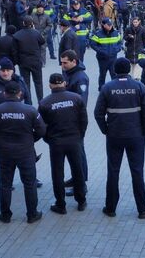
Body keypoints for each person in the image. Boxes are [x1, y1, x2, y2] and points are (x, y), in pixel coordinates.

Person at [94, 58, 145, 219]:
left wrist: (105, 130)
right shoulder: (139, 86)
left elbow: (98, 113)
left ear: (114, 69)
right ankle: (142, 209)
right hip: (136, 136)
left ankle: (111, 207)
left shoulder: (107, 88)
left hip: (114, 136)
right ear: (128, 70)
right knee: (137, 172)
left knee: (113, 171)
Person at [0, 82, 46, 224]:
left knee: (5, 184)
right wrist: (30, 139)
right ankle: (32, 214)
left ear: (5, 94)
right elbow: (42, 130)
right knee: (29, 183)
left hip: (4, 152)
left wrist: (1, 140)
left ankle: (5, 215)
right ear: (20, 93)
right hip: (25, 152)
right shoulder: (30, 110)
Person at [38, 73, 87, 214]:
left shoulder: (44, 103)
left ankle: (61, 204)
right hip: (74, 140)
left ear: (50, 85)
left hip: (56, 143)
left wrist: (48, 139)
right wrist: (79, 136)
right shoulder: (76, 98)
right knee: (78, 170)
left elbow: (41, 126)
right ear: (64, 83)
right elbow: (84, 120)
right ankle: (81, 200)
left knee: (57, 173)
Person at [59, 49, 89, 196]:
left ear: (74, 62)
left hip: (75, 120)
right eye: (61, 62)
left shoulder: (80, 78)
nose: (62, 65)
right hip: (67, 118)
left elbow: (81, 102)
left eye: (65, 63)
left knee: (78, 153)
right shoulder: (68, 72)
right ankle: (76, 178)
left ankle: (81, 183)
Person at [13, 16, 46, 103]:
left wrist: (17, 62)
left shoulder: (17, 35)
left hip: (23, 62)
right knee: (38, 83)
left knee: (26, 84)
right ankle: (41, 101)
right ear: (32, 24)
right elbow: (42, 41)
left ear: (23, 23)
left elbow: (15, 51)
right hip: (36, 61)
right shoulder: (36, 33)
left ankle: (28, 103)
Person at [90, 17, 123, 91]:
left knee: (114, 74)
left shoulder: (116, 33)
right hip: (102, 58)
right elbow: (92, 44)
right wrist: (101, 51)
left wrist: (116, 50)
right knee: (102, 74)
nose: (110, 26)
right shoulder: (98, 34)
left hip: (113, 57)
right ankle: (101, 89)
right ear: (103, 25)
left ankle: (115, 88)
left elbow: (120, 43)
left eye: (111, 24)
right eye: (108, 25)